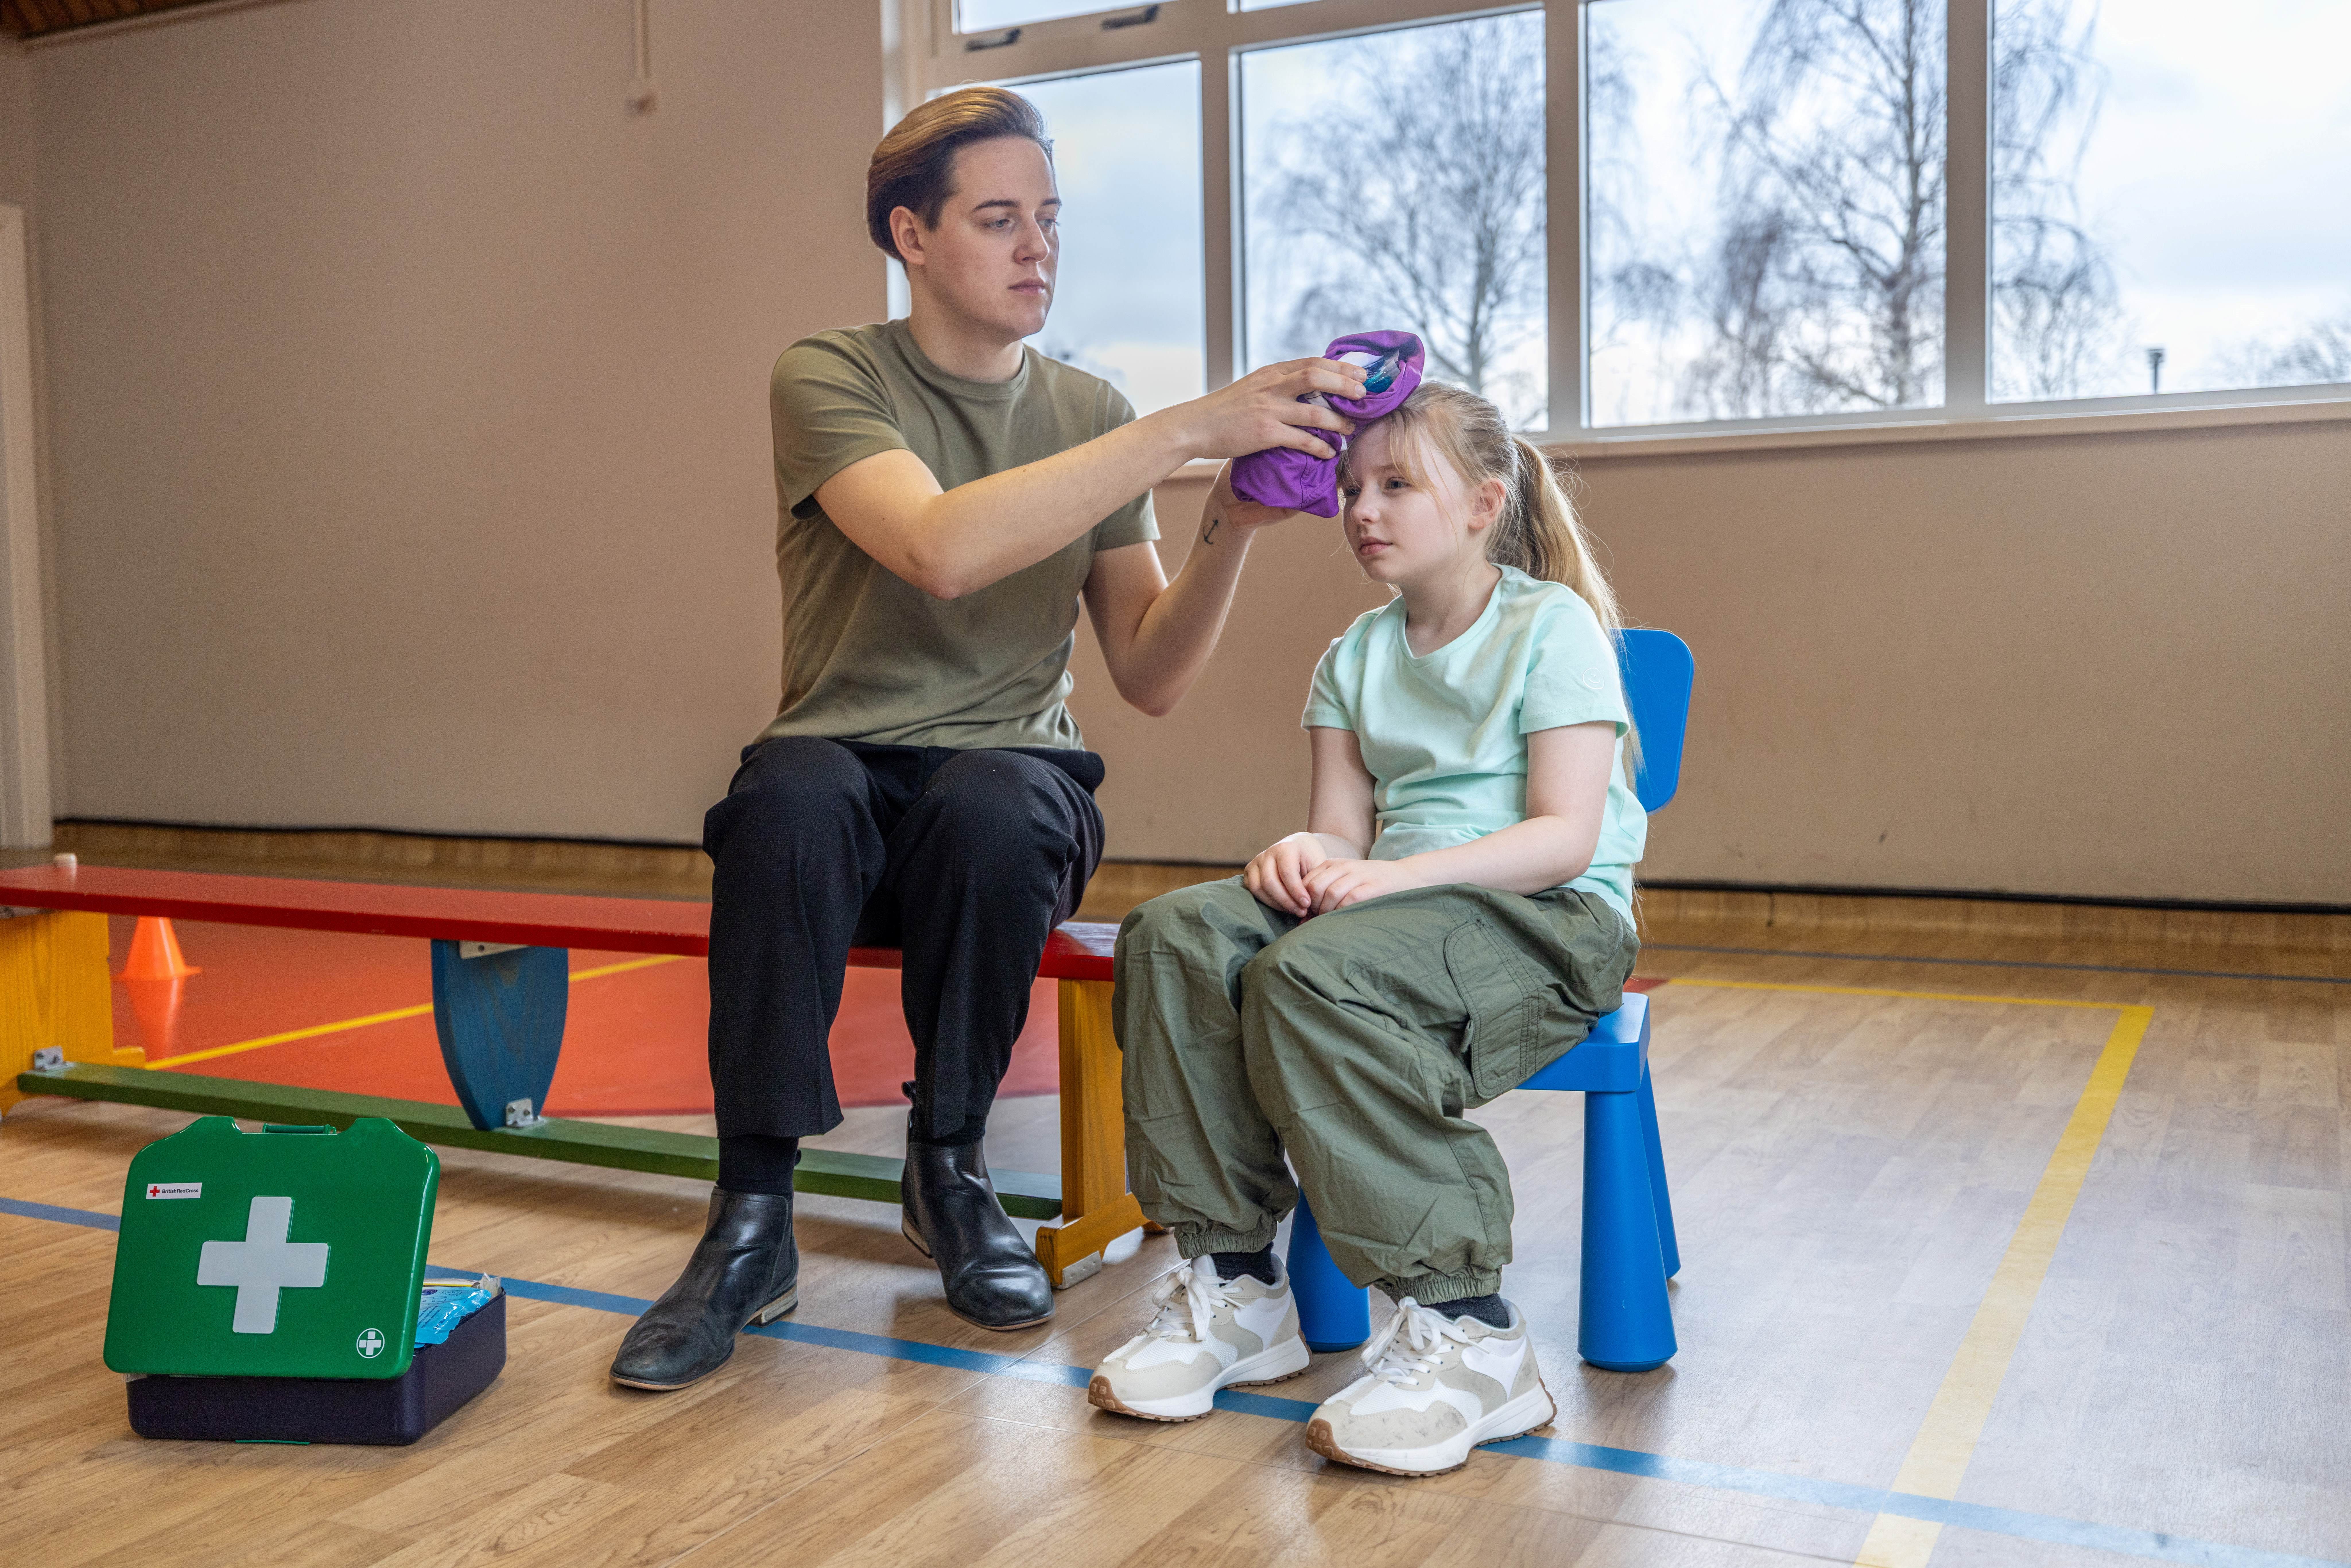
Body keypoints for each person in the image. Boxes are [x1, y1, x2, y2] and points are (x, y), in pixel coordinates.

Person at [609, 88, 1361, 1392]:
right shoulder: (829, 375)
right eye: (998, 219)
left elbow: (1147, 671)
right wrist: (1185, 429)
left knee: (995, 801)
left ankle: (948, 1173)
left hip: (1007, 786)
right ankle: (749, 1220)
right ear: (910, 234)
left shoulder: (1088, 408)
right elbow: (940, 549)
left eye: (1050, 219)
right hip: (842, 785)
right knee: (786, 794)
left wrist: (1225, 523)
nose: (1037, 251)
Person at [1086, 383, 1646, 1477]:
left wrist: (1388, 881)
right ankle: (1241, 1289)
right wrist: (1299, 862)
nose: (1363, 510)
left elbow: (1565, 838)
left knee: (1312, 977)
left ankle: (1474, 1333)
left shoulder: (1551, 625)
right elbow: (1338, 842)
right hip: (1400, 911)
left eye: (1397, 485)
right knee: (1174, 935)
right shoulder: (1352, 655)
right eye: (1350, 488)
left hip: (1550, 921)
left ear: (1485, 504)